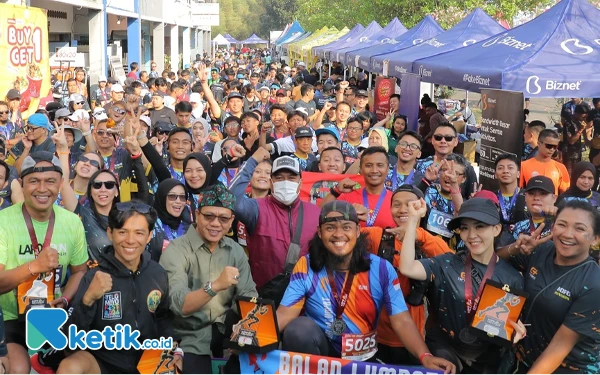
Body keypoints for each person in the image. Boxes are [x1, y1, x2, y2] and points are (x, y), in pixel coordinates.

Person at [276, 201, 456, 374]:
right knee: (298, 330)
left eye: (346, 227)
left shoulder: (381, 268)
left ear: (358, 230)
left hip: (362, 358)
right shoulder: (305, 265)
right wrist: (253, 335)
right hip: (321, 353)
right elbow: (284, 314)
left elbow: (401, 320)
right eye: (330, 228)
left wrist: (425, 356)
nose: (339, 234)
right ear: (320, 233)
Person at [399, 197, 525, 374]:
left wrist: (514, 334)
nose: (471, 235)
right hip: (444, 353)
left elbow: (507, 329)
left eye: (479, 226)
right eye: (465, 228)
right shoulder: (446, 263)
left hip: (486, 361)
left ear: (496, 229)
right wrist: (413, 220)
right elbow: (407, 267)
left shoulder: (512, 278)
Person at [56, 201, 179, 375]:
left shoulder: (157, 273)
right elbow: (69, 342)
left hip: (146, 361)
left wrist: (172, 348)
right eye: (122, 232)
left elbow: (163, 319)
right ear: (110, 233)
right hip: (102, 362)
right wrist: (87, 300)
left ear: (150, 235)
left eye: (139, 233)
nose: (130, 240)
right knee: (70, 367)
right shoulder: (93, 277)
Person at [0, 152, 89, 375]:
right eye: (33, 181)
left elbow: (80, 271)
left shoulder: (71, 222)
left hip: (53, 316)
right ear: (21, 185)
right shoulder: (3, 221)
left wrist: (66, 299)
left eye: (50, 181)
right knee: (17, 369)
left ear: (60, 184)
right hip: (11, 317)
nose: (42, 189)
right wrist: (35, 266)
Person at [159, 184, 257, 374]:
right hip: (189, 335)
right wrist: (216, 286)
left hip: (227, 329)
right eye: (209, 216)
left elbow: (249, 296)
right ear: (197, 214)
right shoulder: (176, 250)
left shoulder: (234, 249)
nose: (215, 224)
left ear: (231, 221)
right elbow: (180, 305)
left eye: (223, 218)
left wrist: (246, 329)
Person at [499, 200, 600, 374]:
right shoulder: (542, 250)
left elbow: (559, 347)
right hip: (525, 356)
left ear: (595, 239)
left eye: (580, 228)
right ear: (552, 227)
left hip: (567, 367)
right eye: (562, 224)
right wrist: (516, 248)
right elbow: (494, 261)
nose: (568, 234)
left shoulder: (593, 285)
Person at [362, 185, 452, 364]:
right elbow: (344, 237)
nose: (403, 210)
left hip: (412, 338)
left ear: (421, 208)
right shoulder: (378, 236)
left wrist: (416, 233)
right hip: (375, 336)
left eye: (410, 205)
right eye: (396, 205)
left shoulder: (429, 241)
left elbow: (451, 261)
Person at [229, 151, 321, 292]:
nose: (285, 182)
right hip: (264, 296)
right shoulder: (256, 208)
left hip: (304, 298)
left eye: (291, 178)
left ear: (300, 183)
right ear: (271, 183)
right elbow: (230, 200)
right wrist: (252, 161)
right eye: (279, 178)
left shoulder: (315, 213)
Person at [325, 146, 396, 228]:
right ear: (361, 169)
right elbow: (320, 215)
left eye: (380, 165)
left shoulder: (395, 200)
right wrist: (335, 191)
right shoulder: (347, 196)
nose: (374, 170)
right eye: (369, 166)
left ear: (387, 169)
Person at [149, 179, 192, 262]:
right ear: (162, 197)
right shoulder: (150, 225)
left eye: (182, 197)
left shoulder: (189, 228)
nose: (178, 201)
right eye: (172, 196)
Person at [520, 129, 570, 194]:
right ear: (539, 144)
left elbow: (565, 193)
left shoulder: (560, 167)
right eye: (549, 146)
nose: (552, 149)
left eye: (555, 147)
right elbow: (519, 190)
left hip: (552, 203)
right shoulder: (524, 165)